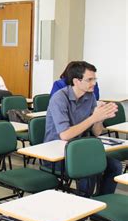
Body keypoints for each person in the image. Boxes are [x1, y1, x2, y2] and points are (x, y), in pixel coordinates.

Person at [44, 61, 121, 195]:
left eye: (94, 79)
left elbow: (96, 132)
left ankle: (100, 204)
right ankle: (83, 205)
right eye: (89, 79)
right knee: (89, 169)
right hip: (57, 154)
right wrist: (93, 117)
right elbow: (65, 135)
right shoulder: (59, 98)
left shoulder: (89, 96)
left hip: (79, 149)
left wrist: (100, 118)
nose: (94, 83)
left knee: (115, 166)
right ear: (76, 81)